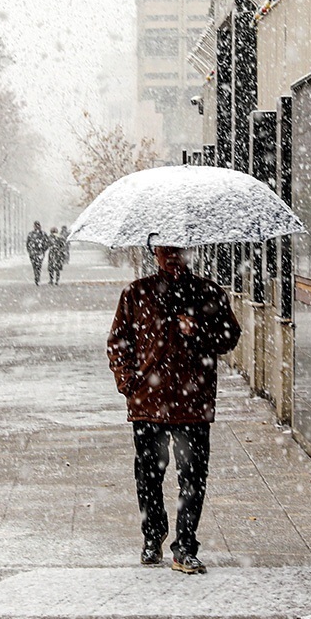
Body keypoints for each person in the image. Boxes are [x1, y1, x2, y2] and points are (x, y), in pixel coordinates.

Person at [106, 245, 241, 574]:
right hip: (147, 403)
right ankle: (152, 536)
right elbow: (117, 342)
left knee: (193, 477)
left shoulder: (208, 293)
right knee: (148, 475)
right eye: (165, 250)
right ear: (155, 252)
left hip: (192, 403)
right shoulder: (136, 293)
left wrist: (199, 332)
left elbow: (229, 337)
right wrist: (128, 383)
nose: (172, 256)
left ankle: (185, 546)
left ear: (189, 252)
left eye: (178, 250)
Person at [25, 222, 48, 286]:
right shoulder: (32, 234)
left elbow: (47, 243)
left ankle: (37, 276)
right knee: (35, 265)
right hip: (35, 252)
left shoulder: (40, 234)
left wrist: (43, 249)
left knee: (37, 265)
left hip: (37, 252)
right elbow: (28, 243)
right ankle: (37, 276)